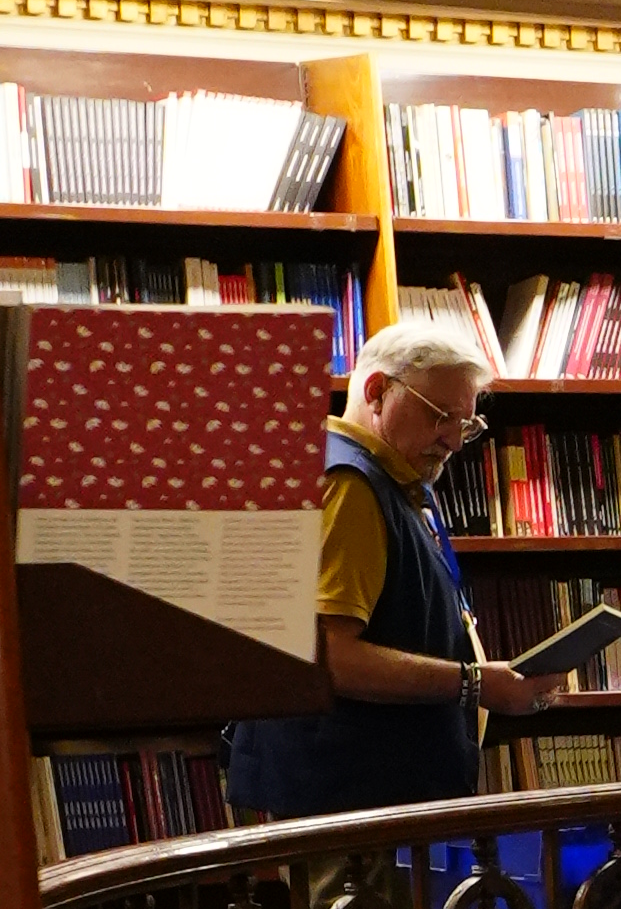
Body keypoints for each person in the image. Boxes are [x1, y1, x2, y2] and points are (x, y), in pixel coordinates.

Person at [222, 314, 546, 816]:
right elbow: (328, 657)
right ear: (376, 392)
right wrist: (476, 683)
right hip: (350, 804)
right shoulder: (350, 485)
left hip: (363, 796)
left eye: (466, 424)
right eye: (440, 416)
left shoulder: (382, 476)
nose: (456, 442)